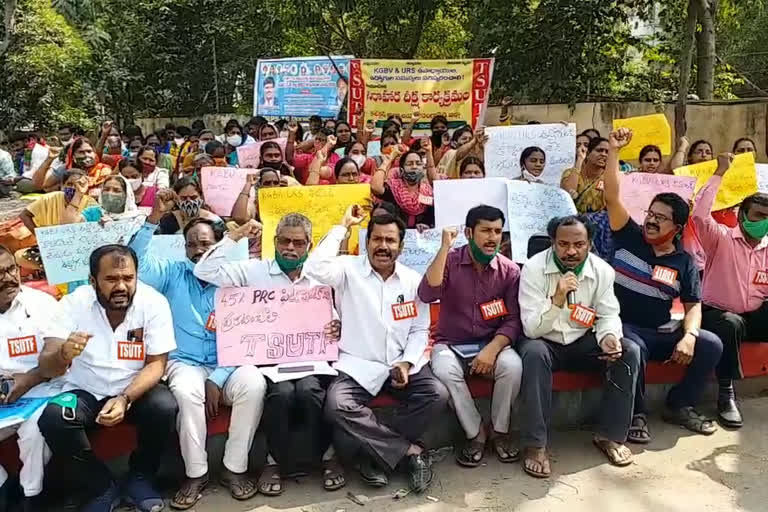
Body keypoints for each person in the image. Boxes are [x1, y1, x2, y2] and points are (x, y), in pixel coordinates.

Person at [128, 192, 267, 508]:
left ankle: (235, 468)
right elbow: (135, 262)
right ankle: (196, 473)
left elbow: (246, 336)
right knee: (187, 393)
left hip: (228, 361)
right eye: (191, 245)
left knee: (254, 384)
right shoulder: (172, 272)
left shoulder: (236, 276)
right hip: (184, 362)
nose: (198, 251)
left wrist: (218, 377)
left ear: (220, 245)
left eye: (205, 244)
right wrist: (152, 219)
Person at [194, 214, 345, 495]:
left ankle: (327, 456)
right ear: (274, 242)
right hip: (269, 361)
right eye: (284, 241)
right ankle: (274, 462)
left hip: (310, 360)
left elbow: (328, 314)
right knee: (282, 395)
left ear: (309, 245)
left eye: (298, 243)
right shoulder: (253, 271)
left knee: (311, 393)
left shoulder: (317, 276)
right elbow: (205, 271)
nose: (290, 248)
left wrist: (335, 325)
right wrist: (236, 235)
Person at [305, 208, 449, 493]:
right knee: (337, 406)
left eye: (390, 240)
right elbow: (314, 268)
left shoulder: (411, 280)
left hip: (400, 364)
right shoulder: (347, 269)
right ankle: (409, 452)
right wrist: (342, 226)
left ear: (401, 246)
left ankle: (372, 454)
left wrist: (407, 364)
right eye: (377, 239)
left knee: (436, 394)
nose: (383, 246)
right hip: (357, 365)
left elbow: (420, 330)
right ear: (367, 241)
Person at [37, 245, 178, 512]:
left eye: (128, 278)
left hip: (134, 390)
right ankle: (100, 487)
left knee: (164, 406)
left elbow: (157, 364)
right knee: (55, 418)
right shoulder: (73, 304)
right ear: (93, 281)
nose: (122, 286)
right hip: (85, 390)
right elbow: (46, 364)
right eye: (111, 279)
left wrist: (125, 398)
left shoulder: (154, 303)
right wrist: (64, 354)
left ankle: (140, 478)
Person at [603, 128, 723, 441]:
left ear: (678, 228)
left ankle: (680, 405)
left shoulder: (684, 262)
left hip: (661, 331)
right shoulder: (628, 235)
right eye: (650, 214)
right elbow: (612, 196)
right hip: (624, 327)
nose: (652, 221)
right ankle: (636, 413)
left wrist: (690, 336)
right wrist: (615, 151)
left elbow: (694, 304)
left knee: (711, 343)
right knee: (633, 348)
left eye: (661, 218)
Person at [517, 215, 640, 478]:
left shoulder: (602, 271)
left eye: (579, 244)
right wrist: (558, 299)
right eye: (563, 244)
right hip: (545, 340)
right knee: (532, 353)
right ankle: (535, 444)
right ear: (552, 243)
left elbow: (608, 314)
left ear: (590, 243)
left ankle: (610, 435)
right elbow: (531, 328)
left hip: (583, 339)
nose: (571, 251)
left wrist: (609, 337)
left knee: (628, 351)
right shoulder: (533, 269)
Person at [419, 205, 522, 467]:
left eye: (498, 231)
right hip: (451, 343)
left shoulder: (509, 271)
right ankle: (475, 434)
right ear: (468, 232)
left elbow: (512, 320)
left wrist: (492, 349)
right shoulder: (451, 261)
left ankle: (500, 431)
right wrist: (444, 248)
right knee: (443, 369)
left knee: (513, 366)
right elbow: (427, 294)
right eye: (485, 230)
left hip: (490, 342)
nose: (492, 237)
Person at [694, 155, 768, 429]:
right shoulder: (721, 239)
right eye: (759, 216)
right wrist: (719, 173)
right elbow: (699, 215)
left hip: (753, 316)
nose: (764, 222)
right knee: (730, 323)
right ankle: (726, 394)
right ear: (742, 216)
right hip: (717, 315)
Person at [0, 246, 68, 510]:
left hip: (42, 389)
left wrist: (27, 380)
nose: (8, 278)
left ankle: (32, 496)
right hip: (4, 397)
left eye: (10, 269)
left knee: (35, 431)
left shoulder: (42, 304)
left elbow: (58, 360)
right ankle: (5, 487)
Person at [371, 149, 435, 229]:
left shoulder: (428, 191)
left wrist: (426, 225)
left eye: (418, 164)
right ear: (401, 169)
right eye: (409, 164)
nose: (414, 167)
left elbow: (432, 218)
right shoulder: (394, 188)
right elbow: (376, 188)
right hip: (395, 235)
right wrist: (389, 160)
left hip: (421, 238)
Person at [19, 169, 99, 233]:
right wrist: (38, 236)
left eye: (79, 184)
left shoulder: (90, 203)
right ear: (62, 186)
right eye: (70, 184)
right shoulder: (49, 198)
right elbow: (24, 215)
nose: (75, 188)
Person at [157, 177, 222, 235]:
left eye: (193, 197)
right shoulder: (167, 220)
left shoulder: (213, 220)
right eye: (183, 198)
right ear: (176, 199)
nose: (189, 201)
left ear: (201, 197)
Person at [560, 137, 609, 214]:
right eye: (599, 150)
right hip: (573, 221)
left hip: (597, 222)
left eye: (607, 152)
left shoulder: (609, 178)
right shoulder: (569, 172)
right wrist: (580, 159)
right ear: (588, 153)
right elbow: (567, 194)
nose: (603, 154)